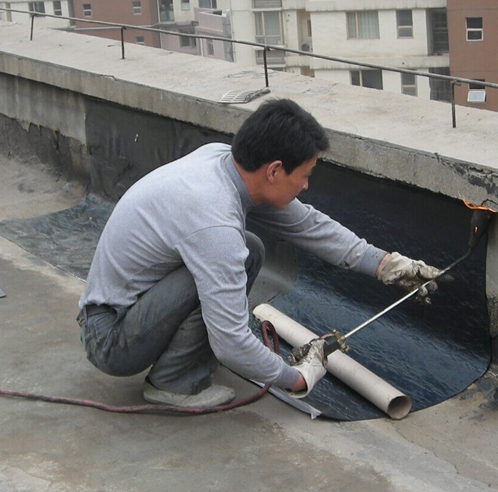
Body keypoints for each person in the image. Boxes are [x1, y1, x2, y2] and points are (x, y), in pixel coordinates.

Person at [77, 98, 442, 409]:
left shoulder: (222, 162)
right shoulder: (214, 221)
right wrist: (297, 378)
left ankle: (179, 364)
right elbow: (231, 342)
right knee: (236, 254)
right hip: (110, 340)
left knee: (249, 249)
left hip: (127, 309)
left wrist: (384, 264)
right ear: (274, 170)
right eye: (304, 175)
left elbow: (306, 224)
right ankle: (173, 383)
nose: (305, 186)